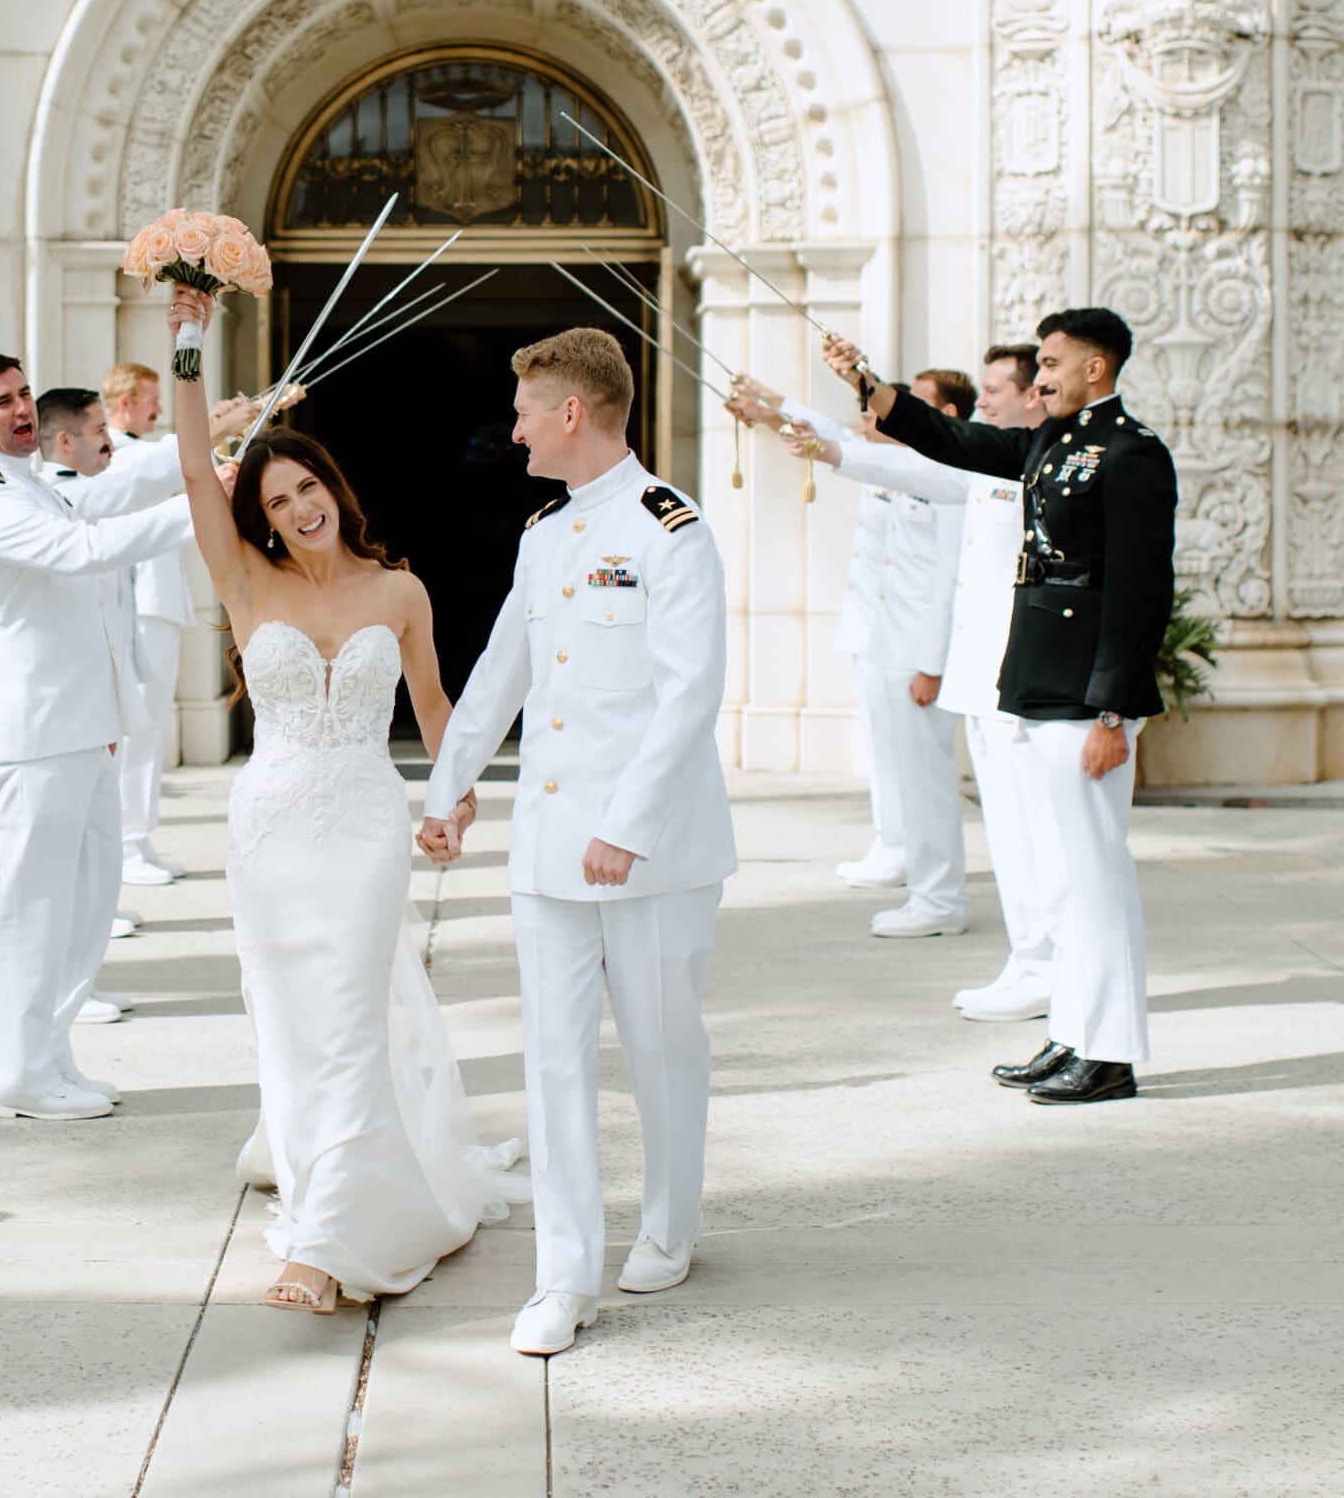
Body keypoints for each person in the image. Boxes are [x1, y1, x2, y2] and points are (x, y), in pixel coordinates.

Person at [172, 338, 520, 1317]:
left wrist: (454, 797)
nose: (296, 509)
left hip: (366, 826)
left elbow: (437, 709)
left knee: (351, 1017)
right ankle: (308, 1153)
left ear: (333, 484)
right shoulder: (247, 583)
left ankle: (325, 1242)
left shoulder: (397, 590)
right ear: (262, 518)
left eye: (305, 488)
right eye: (276, 502)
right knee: (290, 1019)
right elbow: (196, 466)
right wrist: (188, 343)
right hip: (274, 829)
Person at [423, 327, 739, 1358]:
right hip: (551, 845)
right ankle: (561, 1277)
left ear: (571, 412)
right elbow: (501, 666)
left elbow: (690, 693)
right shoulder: (545, 533)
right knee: (554, 1064)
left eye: (523, 412)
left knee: (659, 1047)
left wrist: (625, 826)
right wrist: (448, 784)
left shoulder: (669, 529)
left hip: (651, 848)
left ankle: (670, 1220)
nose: (511, 431)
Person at [825, 309, 1175, 1105]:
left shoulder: (1131, 455)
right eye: (1038, 365)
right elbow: (956, 443)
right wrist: (867, 385)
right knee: (1065, 872)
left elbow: (1138, 593)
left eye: (1051, 365)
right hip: (1035, 685)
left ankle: (1110, 1051)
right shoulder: (1048, 442)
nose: (1040, 378)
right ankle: (1073, 1033)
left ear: (1095, 367)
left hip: (1086, 698)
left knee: (1095, 875)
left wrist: (1114, 714)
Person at [0, 330, 208, 1123]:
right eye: (3, 402)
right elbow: (82, 548)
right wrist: (201, 503)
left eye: (24, 395)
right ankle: (12, 1071)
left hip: (82, 727)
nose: (22, 409)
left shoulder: (33, 480)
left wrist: (205, 450)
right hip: (36, 734)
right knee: (36, 907)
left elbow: (110, 490)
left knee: (88, 900)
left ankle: (48, 1054)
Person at [785, 345, 1064, 1021]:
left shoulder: (1039, 462)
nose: (987, 399)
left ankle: (1045, 961)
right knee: (1007, 830)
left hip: (1014, 675)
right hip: (981, 677)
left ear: (1031, 396)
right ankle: (1030, 961)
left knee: (1036, 837)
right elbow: (902, 459)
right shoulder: (984, 462)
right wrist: (825, 437)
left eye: (999, 387)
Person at [730, 365, 973, 939]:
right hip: (879, 636)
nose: (878, 416)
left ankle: (938, 897)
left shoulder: (949, 469)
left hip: (917, 648)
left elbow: (947, 581)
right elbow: (833, 434)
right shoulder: (891, 460)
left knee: (927, 776)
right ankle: (897, 849)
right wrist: (774, 403)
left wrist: (933, 662)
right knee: (891, 760)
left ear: (945, 417)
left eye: (903, 407)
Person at [35, 383, 196, 1017]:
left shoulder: (83, 487)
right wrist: (205, 485)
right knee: (65, 863)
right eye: (98, 428)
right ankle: (62, 999)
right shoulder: (63, 492)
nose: (109, 439)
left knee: (94, 862)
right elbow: (131, 488)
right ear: (66, 440)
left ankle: (79, 987)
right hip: (61, 714)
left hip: (95, 707)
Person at [101, 361, 193, 888]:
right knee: (135, 731)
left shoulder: (143, 451)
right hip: (139, 608)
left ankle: (138, 836)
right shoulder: (120, 454)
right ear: (125, 402)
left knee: (150, 729)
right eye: (152, 400)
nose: (158, 409)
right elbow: (174, 458)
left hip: (160, 606)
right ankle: (124, 844)